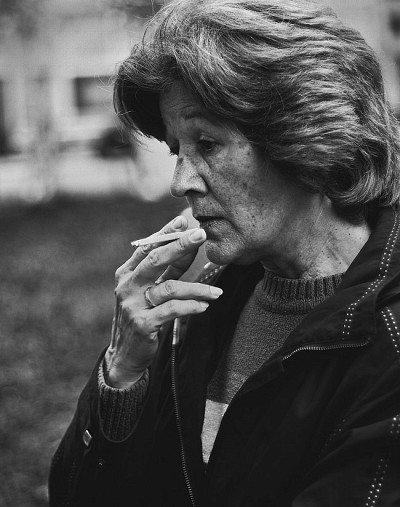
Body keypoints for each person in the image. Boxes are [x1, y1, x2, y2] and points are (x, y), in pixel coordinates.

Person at [49, 0, 400, 505]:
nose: (180, 183)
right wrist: (122, 373)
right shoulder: (198, 309)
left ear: (307, 138)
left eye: (207, 144)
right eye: (177, 150)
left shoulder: (388, 341)